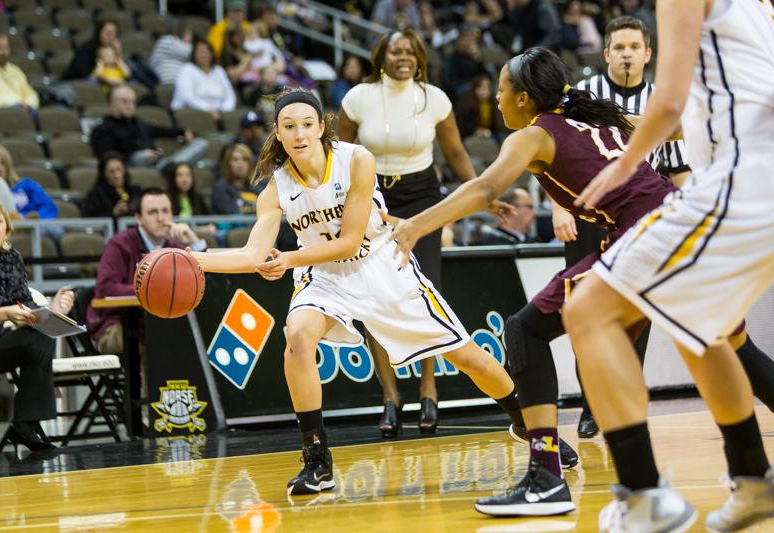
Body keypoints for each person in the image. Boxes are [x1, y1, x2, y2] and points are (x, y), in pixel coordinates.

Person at [388, 46, 774, 519]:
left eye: (504, 90)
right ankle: (744, 476)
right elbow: (673, 125)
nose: (501, 99)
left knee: (526, 328)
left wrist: (416, 225)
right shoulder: (600, 118)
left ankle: (549, 476)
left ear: (526, 99)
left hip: (644, 236)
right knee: (729, 345)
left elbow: (486, 188)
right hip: (682, 220)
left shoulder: (533, 136)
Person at [190, 88, 573, 497]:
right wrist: (188, 260)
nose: (299, 133)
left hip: (380, 264)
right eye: (289, 127)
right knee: (297, 338)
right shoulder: (275, 188)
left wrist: (286, 259)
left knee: (469, 359)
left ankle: (528, 424)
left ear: (321, 127)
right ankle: (317, 461)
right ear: (278, 134)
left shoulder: (357, 159)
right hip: (321, 275)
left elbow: (352, 242)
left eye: (306, 124)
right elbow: (252, 253)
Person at [564, 0, 774, 531]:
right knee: (700, 326)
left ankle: (643, 498)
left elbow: (669, 103)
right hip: (753, 176)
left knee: (588, 311)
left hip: (739, 180)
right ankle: (753, 483)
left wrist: (622, 166)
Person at [336, 29, 481, 437]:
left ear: (420, 57)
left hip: (422, 195)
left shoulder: (435, 98)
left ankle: (429, 390)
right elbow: (339, 156)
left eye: (411, 51)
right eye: (396, 50)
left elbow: (454, 153)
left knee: (425, 292)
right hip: (372, 195)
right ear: (381, 57)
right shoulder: (358, 98)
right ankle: (390, 397)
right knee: (375, 295)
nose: (404, 57)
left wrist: (482, 195)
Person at [561, 14, 691, 439]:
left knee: (638, 314)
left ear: (648, 53)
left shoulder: (662, 101)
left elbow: (678, 169)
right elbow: (551, 151)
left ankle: (625, 401)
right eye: (619, 47)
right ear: (606, 54)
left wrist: (686, 214)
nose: (627, 54)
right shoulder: (583, 95)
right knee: (582, 310)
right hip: (588, 216)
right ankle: (590, 403)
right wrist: (558, 206)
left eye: (634, 47)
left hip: (642, 219)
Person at [0, 198, 73, 452]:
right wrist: (2, 314)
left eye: (0, 221)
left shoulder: (11, 259)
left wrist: (52, 310)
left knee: (40, 332)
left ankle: (26, 422)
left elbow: (25, 304)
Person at [86, 188, 207, 354]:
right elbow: (105, 289)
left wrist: (193, 242)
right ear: (138, 218)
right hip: (116, 324)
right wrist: (154, 290)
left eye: (165, 211)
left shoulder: (175, 246)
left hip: (163, 322)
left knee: (195, 334)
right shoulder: (120, 244)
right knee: (151, 336)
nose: (161, 218)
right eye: (152, 212)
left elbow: (204, 281)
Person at [90, 85, 208, 170]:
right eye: (124, 102)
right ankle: (173, 168)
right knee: (141, 157)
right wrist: (136, 154)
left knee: (201, 143)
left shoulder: (138, 123)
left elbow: (161, 130)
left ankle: (172, 167)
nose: (130, 106)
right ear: (111, 104)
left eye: (132, 102)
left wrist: (183, 131)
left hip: (157, 163)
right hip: (132, 166)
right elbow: (108, 158)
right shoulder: (103, 129)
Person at [0, 144, 57, 220]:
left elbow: (49, 206)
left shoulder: (26, 186)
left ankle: (20, 224)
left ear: (8, 167)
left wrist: (37, 216)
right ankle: (14, 221)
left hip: (27, 227)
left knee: (53, 229)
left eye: (3, 164)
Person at [171, 39, 237, 119]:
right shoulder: (187, 69)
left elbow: (230, 95)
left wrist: (225, 111)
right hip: (191, 112)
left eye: (207, 51)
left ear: (212, 54)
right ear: (194, 54)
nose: (204, 55)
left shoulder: (219, 70)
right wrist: (208, 110)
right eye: (200, 52)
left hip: (219, 113)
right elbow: (187, 96)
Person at [82, 153, 141, 220]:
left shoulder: (135, 190)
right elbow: (89, 219)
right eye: (111, 171)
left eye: (119, 170)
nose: (116, 175)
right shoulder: (96, 194)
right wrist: (113, 213)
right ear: (104, 173)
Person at [476, 188, 540, 245]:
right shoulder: (492, 243)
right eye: (530, 207)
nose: (535, 213)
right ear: (512, 208)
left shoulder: (535, 241)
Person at [211, 143, 258, 215]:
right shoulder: (220, 188)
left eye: (245, 159)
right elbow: (230, 214)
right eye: (235, 160)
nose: (240, 164)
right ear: (228, 164)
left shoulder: (256, 188)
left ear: (250, 164)